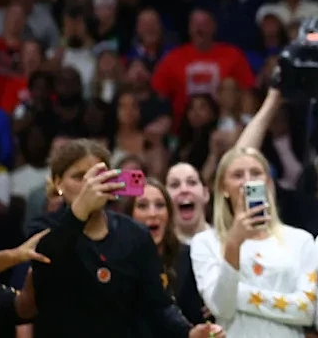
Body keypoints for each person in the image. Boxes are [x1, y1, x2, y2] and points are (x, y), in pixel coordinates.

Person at [27, 138, 220, 338]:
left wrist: (189, 332)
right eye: (79, 177)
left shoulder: (135, 234)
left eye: (98, 177)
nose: (90, 186)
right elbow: (47, 270)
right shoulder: (42, 229)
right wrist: (79, 212)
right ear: (58, 182)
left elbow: (158, 304)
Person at [190, 147, 318, 338]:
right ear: (223, 188)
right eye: (237, 175)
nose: (248, 181)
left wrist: (238, 295)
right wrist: (234, 244)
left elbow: (306, 311)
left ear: (268, 183)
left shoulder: (300, 240)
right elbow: (223, 308)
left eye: (256, 173)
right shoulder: (205, 242)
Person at [124, 175, 209, 328]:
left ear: (169, 214)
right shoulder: (118, 262)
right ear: (129, 215)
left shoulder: (188, 258)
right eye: (142, 206)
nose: (153, 213)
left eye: (160, 205)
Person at [166, 162, 212, 244]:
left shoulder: (225, 242)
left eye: (191, 182)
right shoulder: (155, 247)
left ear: (205, 194)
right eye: (175, 185)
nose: (184, 190)